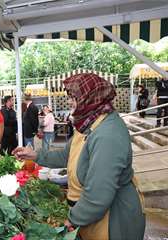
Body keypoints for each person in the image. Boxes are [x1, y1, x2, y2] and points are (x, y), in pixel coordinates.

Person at [13, 73, 145, 240]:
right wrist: (35, 155)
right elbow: (66, 156)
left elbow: (99, 194)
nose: (69, 101)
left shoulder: (108, 134)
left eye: (73, 97)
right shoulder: (88, 124)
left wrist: (72, 220)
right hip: (91, 214)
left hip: (114, 219)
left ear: (90, 98)